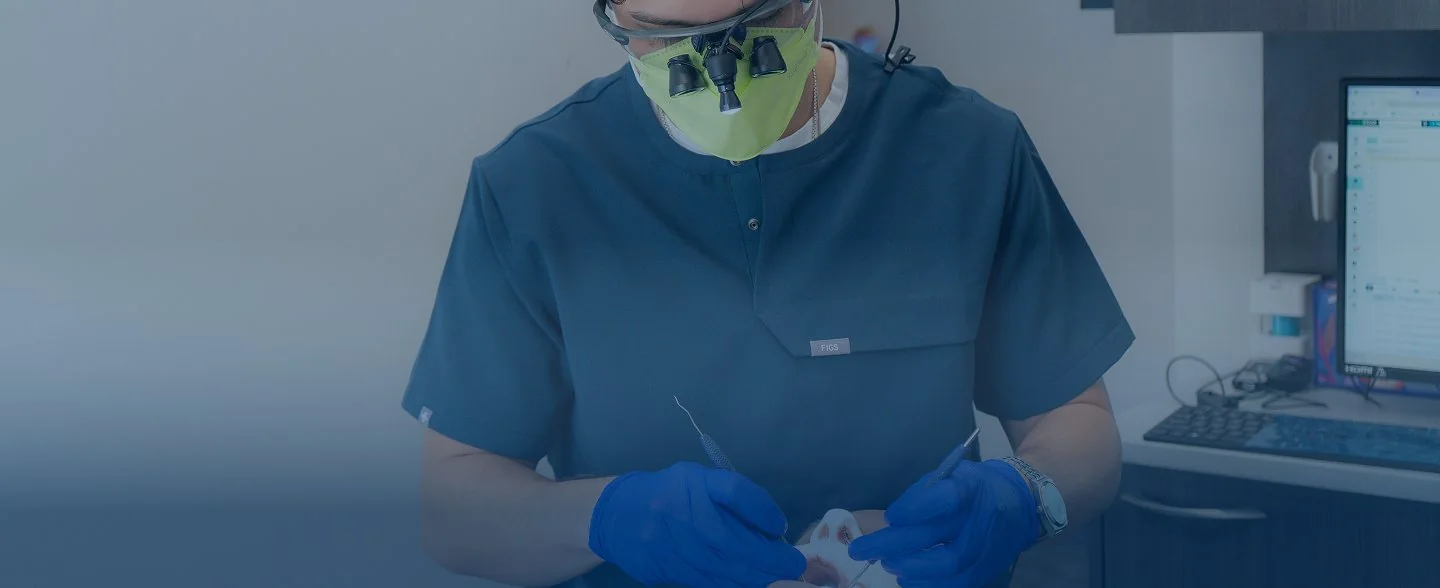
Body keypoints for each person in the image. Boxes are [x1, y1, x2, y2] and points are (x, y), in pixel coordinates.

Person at [401, 1, 1134, 587]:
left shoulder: (969, 151)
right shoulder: (534, 186)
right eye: (667, 40)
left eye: (753, 28)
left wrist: (1024, 497)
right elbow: (456, 512)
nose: (721, 73)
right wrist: (603, 518)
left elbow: (1079, 421)